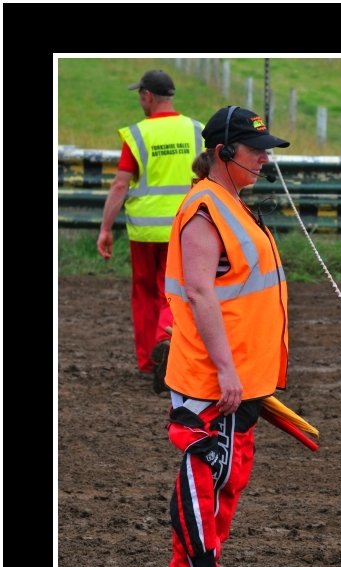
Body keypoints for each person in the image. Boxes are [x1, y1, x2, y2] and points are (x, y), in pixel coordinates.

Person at [163, 105, 291, 567]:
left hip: (238, 377)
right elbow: (198, 291)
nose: (265, 159)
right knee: (204, 475)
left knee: (227, 477)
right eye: (255, 151)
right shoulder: (204, 208)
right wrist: (227, 370)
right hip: (213, 378)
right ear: (222, 153)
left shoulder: (230, 202)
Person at [97, 69, 204, 393]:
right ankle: (167, 340)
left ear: (148, 96)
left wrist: (105, 228)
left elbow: (119, 185)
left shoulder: (137, 134)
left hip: (144, 232)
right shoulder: (197, 131)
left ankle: (149, 359)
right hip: (184, 227)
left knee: (143, 294)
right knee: (171, 291)